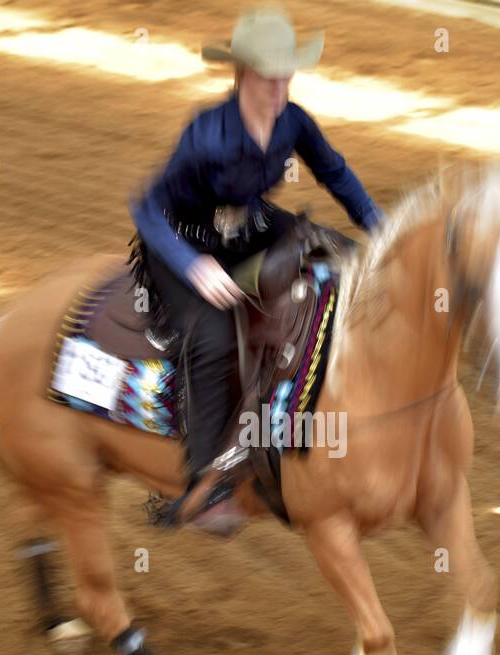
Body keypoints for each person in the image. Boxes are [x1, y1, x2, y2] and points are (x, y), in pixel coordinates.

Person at [128, 5, 384, 528]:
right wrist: (192, 265)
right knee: (213, 334)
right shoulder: (206, 136)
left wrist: (381, 231)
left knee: (339, 256)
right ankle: (204, 479)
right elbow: (147, 205)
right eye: (269, 76)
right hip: (184, 240)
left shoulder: (292, 121)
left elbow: (334, 171)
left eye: (286, 75)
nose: (280, 87)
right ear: (242, 74)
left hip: (246, 226)